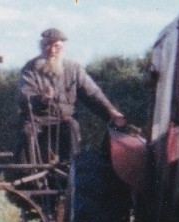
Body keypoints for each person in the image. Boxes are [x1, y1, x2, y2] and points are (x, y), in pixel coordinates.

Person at [17, 28, 126, 165]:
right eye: (48, 45)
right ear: (42, 46)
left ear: (62, 48)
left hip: (64, 119)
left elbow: (92, 93)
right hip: (37, 120)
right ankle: (27, 180)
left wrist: (111, 112)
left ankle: (72, 173)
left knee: (72, 128)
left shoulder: (74, 69)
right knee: (26, 132)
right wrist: (42, 99)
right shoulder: (29, 68)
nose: (52, 50)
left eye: (56, 46)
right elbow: (24, 96)